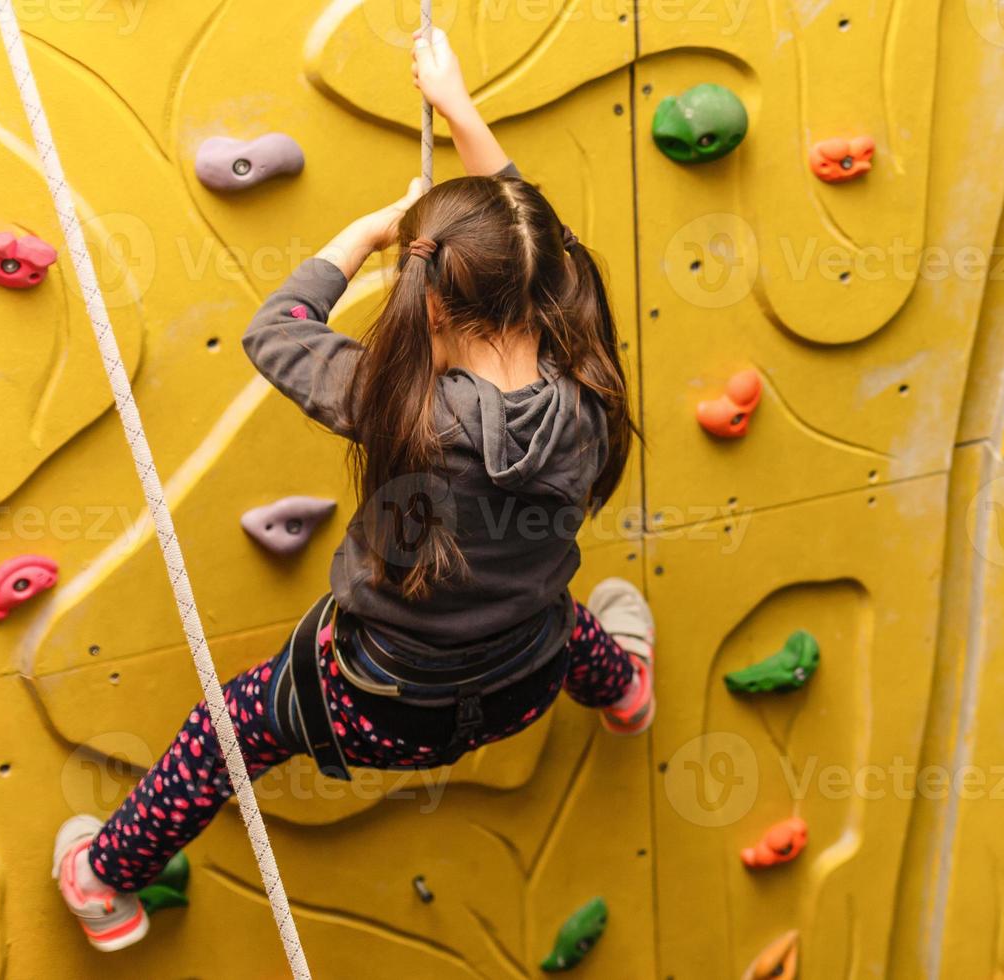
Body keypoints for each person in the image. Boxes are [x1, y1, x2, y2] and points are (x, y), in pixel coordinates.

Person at [53, 28, 652, 953]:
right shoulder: (586, 377)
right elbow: (538, 236)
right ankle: (625, 693)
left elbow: (277, 328)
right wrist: (458, 108)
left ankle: (105, 880)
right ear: (541, 288)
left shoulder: (396, 402)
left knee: (226, 730)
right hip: (525, 680)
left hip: (374, 714)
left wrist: (370, 233)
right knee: (556, 615)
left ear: (431, 302)